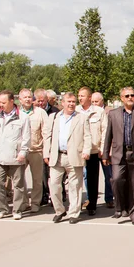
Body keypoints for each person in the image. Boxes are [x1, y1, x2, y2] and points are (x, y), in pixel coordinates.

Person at [102, 87, 134, 225]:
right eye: (127, 95)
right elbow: (108, 136)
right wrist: (106, 154)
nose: (130, 97)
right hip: (119, 153)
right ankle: (120, 207)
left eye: (132, 95)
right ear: (122, 98)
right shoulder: (113, 114)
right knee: (117, 179)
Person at [43, 93, 92, 224]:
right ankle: (59, 210)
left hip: (74, 156)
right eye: (68, 101)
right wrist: (46, 153)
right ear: (62, 103)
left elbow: (87, 136)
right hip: (57, 156)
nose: (71, 104)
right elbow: (47, 136)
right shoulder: (54, 117)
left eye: (73, 102)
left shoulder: (82, 118)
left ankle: (74, 213)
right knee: (53, 185)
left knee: (75, 186)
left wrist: (86, 151)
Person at [0, 90, 31, 220]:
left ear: (12, 101)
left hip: (16, 157)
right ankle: (2, 209)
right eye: (0, 102)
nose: (1, 105)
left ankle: (17, 210)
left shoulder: (23, 117)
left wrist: (23, 153)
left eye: (3, 102)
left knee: (18, 185)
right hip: (0, 157)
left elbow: (26, 138)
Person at [77, 87, 109, 216]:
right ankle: (76, 203)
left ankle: (92, 204)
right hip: (78, 150)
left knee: (92, 178)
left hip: (94, 150)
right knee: (77, 178)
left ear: (89, 97)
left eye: (82, 96)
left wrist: (103, 149)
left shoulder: (99, 112)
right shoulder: (76, 111)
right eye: (78, 95)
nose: (80, 98)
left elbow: (105, 131)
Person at [18, 88, 49, 213]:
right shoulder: (16, 113)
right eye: (24, 97)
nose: (27, 99)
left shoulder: (40, 113)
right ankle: (24, 202)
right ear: (20, 99)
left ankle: (35, 203)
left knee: (37, 179)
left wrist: (46, 152)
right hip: (20, 151)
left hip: (36, 150)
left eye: (29, 97)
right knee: (19, 178)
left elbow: (46, 133)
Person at [35, 88, 60, 206]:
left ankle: (58, 195)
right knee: (42, 174)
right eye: (38, 101)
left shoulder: (55, 111)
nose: (41, 103)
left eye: (43, 101)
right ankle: (44, 195)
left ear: (47, 100)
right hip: (38, 147)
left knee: (54, 173)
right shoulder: (34, 112)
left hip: (52, 146)